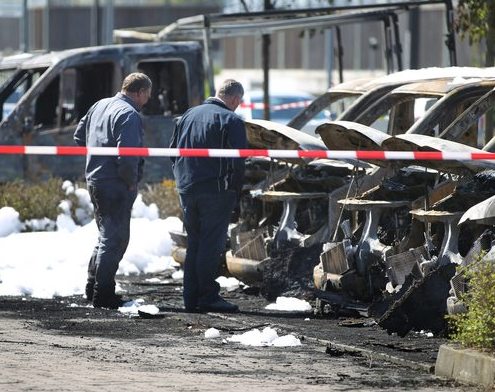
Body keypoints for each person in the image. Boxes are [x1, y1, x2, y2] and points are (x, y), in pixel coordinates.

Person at [74, 72, 152, 309]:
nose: (147, 100)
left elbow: (79, 136)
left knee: (105, 236)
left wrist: (96, 155)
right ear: (139, 92)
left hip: (96, 179)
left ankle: (93, 286)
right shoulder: (129, 114)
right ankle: (103, 293)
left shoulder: (100, 105)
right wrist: (130, 180)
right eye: (147, 95)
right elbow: (127, 156)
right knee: (115, 239)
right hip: (116, 183)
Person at [170, 79, 246, 313]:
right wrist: (236, 192)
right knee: (210, 246)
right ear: (234, 99)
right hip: (215, 191)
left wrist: (182, 180)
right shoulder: (231, 120)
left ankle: (190, 297)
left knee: (195, 243)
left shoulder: (188, 115)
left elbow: (172, 151)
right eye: (239, 102)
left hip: (187, 188)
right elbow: (239, 160)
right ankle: (208, 296)